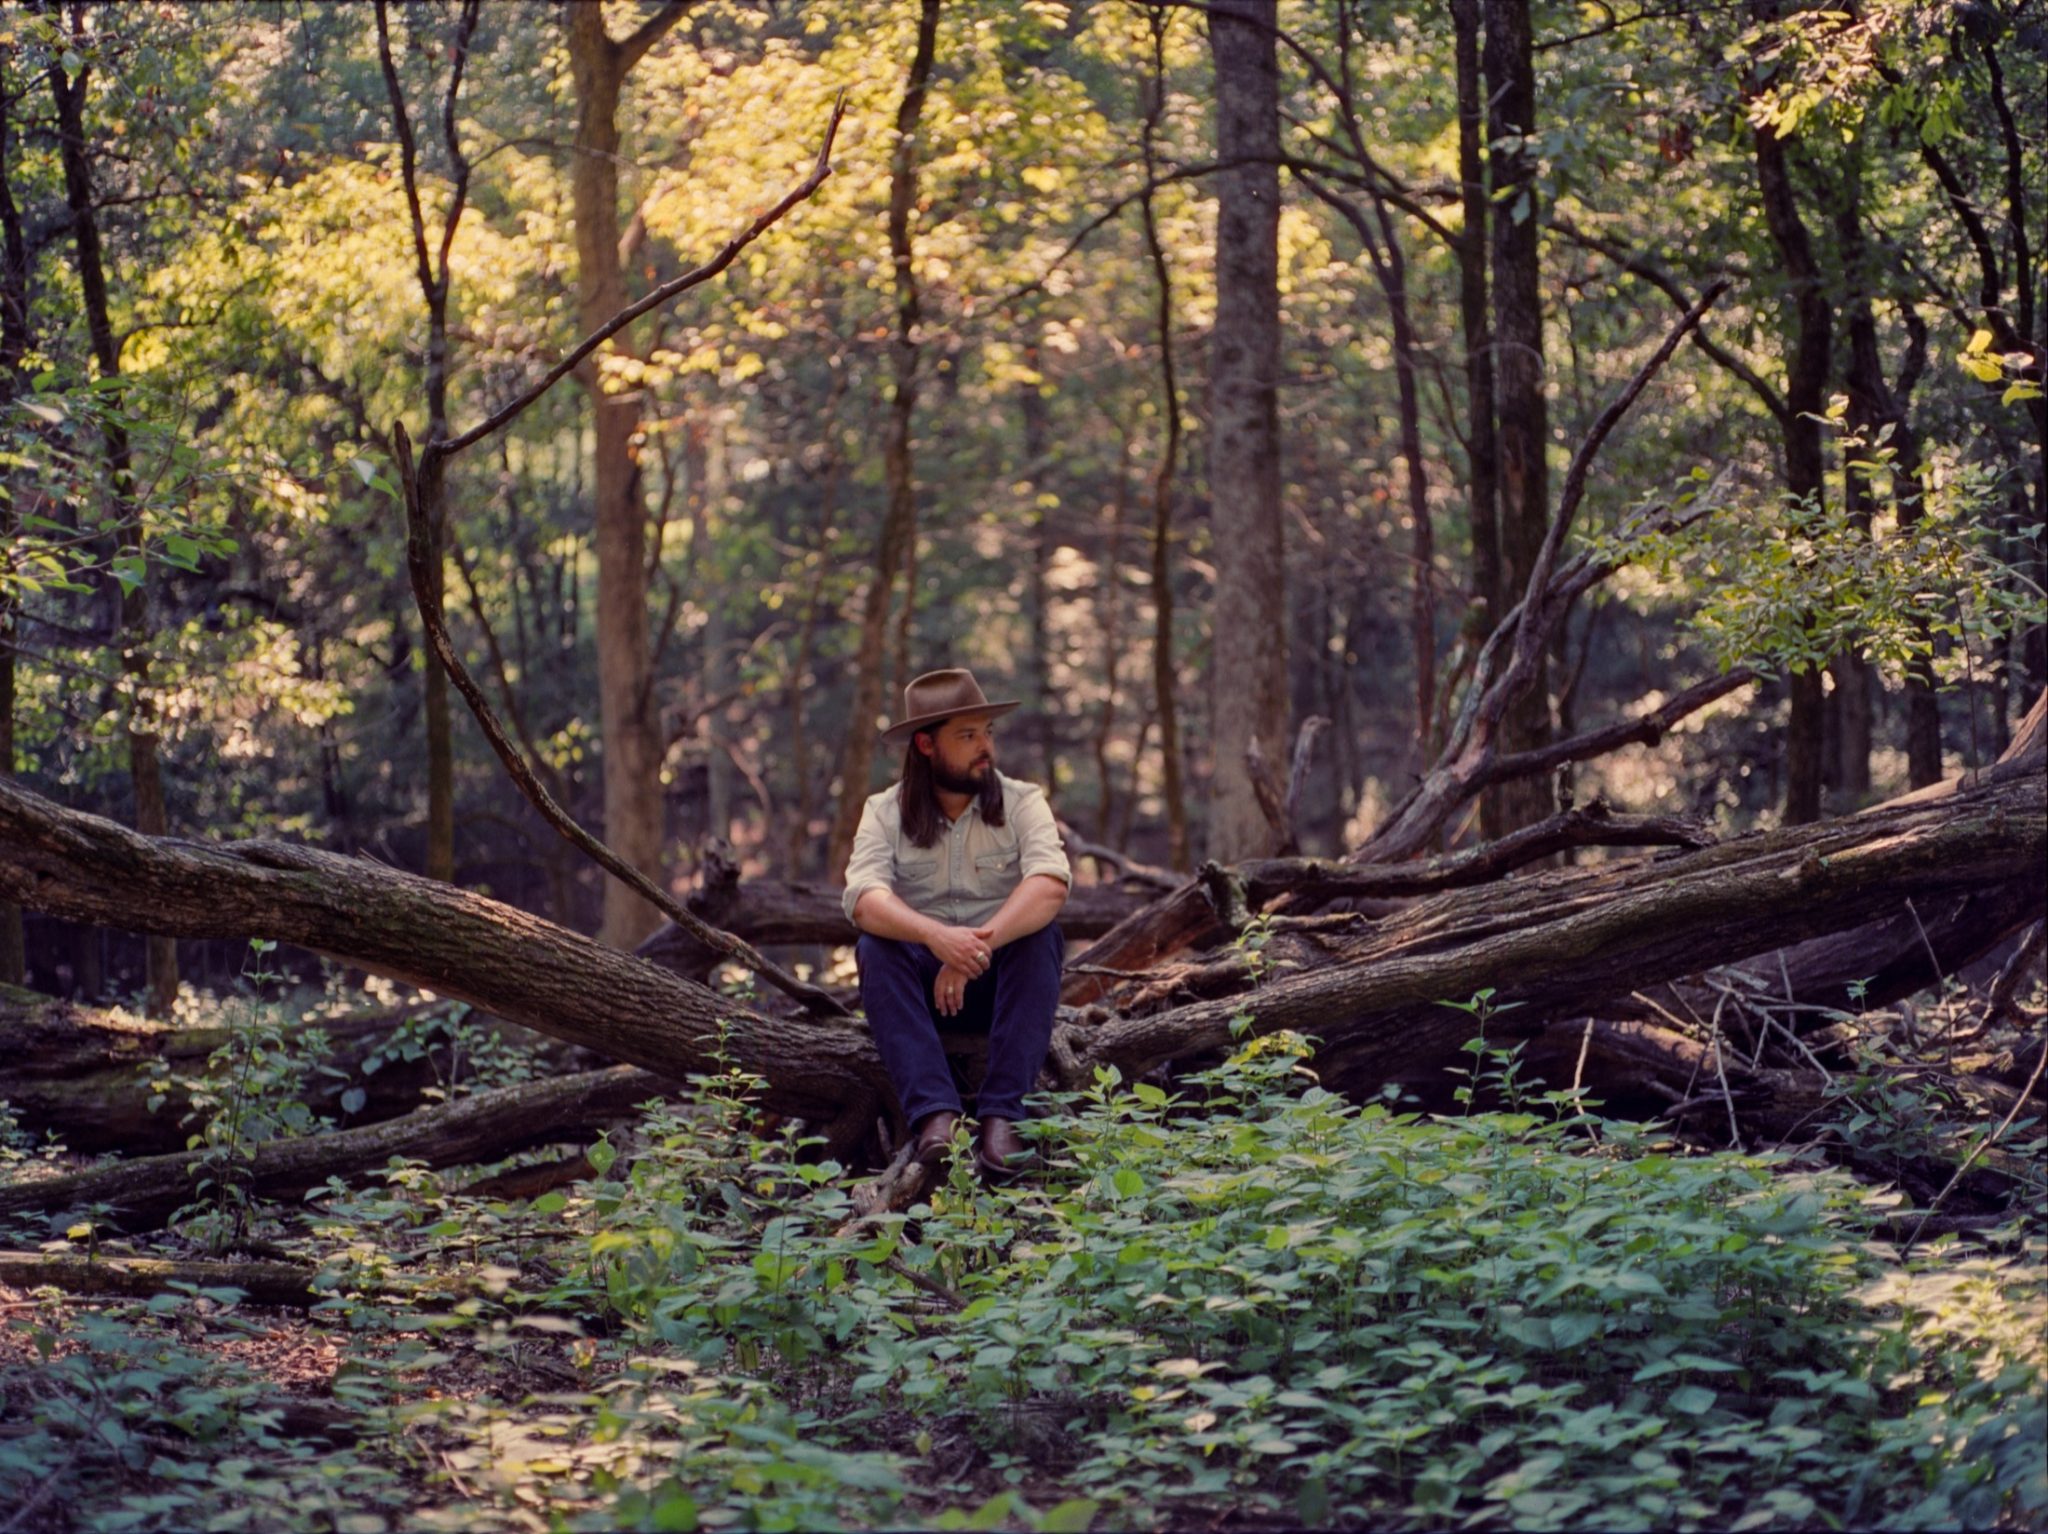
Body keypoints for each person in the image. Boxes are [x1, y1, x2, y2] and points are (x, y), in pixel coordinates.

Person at [843, 668, 1071, 1181]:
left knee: (1041, 938)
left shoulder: (1022, 802)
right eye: (967, 736)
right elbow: (863, 898)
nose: (984, 747)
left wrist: (971, 952)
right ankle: (935, 1116)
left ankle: (1004, 1116)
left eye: (987, 732)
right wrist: (935, 937)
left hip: (998, 991)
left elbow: (1050, 883)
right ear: (926, 744)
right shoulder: (883, 812)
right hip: (921, 996)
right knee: (875, 946)